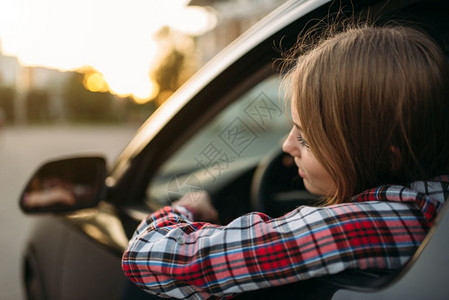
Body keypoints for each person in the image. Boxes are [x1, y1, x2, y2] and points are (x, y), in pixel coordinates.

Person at [121, 24, 449, 299]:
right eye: (292, 128)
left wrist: (185, 209)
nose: (287, 145)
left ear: (384, 157)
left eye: (306, 137)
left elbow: (145, 256)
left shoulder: (363, 225)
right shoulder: (432, 205)